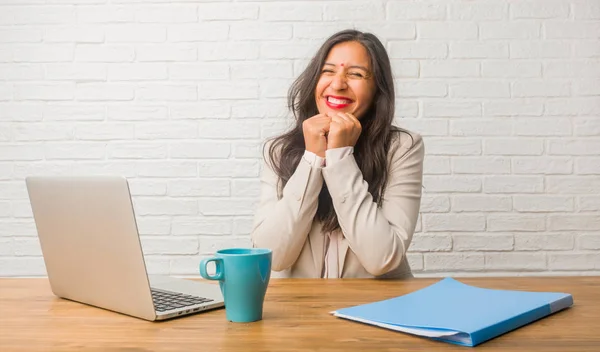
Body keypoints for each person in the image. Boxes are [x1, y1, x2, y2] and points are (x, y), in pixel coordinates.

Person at [250, 29, 425, 279]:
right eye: (328, 71)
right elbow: (273, 257)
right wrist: (312, 158)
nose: (338, 84)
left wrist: (340, 156)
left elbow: (382, 260)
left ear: (378, 90)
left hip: (377, 307)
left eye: (356, 74)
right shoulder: (279, 150)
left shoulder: (402, 148)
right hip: (297, 310)